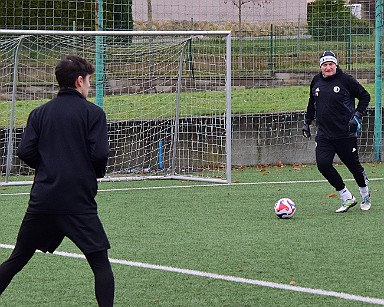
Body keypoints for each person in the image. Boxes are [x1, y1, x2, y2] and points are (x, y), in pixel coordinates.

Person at [0, 55, 114, 306]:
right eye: (88, 82)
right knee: (100, 263)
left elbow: (24, 152)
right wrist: (89, 171)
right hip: (78, 201)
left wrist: (49, 167)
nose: (89, 87)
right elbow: (100, 154)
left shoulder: (39, 113)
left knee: (17, 259)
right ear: (79, 81)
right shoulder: (93, 114)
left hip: (44, 200)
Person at [302, 51, 371, 213]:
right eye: (324, 65)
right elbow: (312, 103)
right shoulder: (316, 81)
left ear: (336, 64)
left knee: (354, 167)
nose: (328, 67)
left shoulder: (345, 80)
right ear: (320, 67)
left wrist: (357, 116)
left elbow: (365, 97)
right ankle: (347, 197)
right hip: (324, 135)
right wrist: (307, 122)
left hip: (345, 134)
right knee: (323, 165)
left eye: (330, 64)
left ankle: (365, 194)